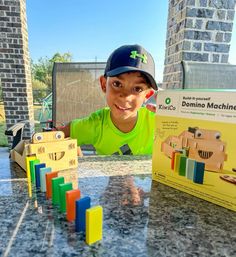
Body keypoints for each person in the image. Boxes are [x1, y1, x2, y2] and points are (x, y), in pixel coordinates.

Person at [61, 44, 158, 155]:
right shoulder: (97, 124)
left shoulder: (157, 122)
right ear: (103, 84)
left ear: (147, 95)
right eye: (117, 84)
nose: (126, 96)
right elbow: (58, 134)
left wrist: (174, 121)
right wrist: (80, 162)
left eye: (137, 88)